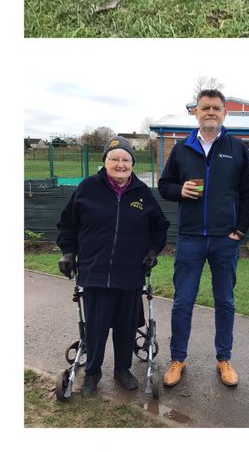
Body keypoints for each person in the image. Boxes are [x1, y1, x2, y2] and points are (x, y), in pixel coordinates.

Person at [158, 89, 249, 389]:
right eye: (205, 108)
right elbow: (164, 186)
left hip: (224, 241)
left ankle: (224, 359)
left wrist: (239, 231)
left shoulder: (237, 149)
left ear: (224, 113)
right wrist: (180, 190)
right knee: (182, 302)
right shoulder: (181, 149)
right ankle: (178, 359)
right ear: (196, 113)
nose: (210, 112)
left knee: (225, 302)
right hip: (190, 239)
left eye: (216, 108)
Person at [56, 138, 169, 396]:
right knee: (95, 329)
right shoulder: (87, 188)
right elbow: (67, 224)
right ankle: (93, 373)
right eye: (114, 159)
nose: (120, 164)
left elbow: (160, 226)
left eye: (126, 159)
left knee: (125, 326)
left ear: (132, 164)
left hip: (130, 273)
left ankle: (122, 370)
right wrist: (68, 252)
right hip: (95, 271)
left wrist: (152, 251)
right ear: (105, 162)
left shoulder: (141, 193)